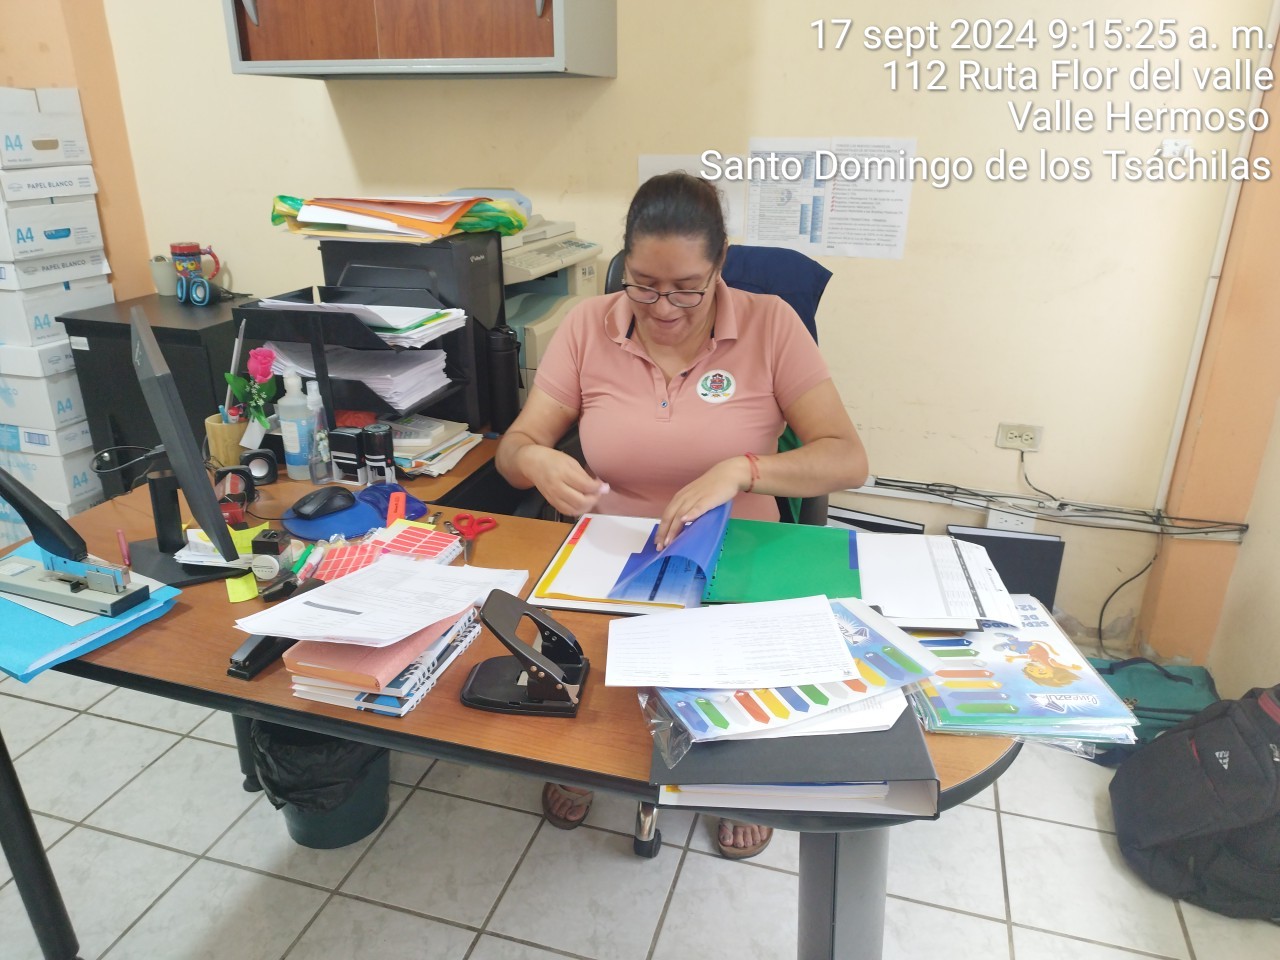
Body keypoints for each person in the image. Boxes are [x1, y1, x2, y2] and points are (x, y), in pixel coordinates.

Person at [495, 172, 869, 860]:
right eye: (643, 285)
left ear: (720, 263)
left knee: (731, 721)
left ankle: (732, 781)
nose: (663, 308)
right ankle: (592, 754)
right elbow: (514, 449)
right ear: (624, 266)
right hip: (613, 557)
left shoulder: (770, 324)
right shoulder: (586, 326)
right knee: (589, 715)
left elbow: (847, 457)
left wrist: (743, 470)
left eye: (687, 288)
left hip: (738, 554)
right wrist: (536, 460)